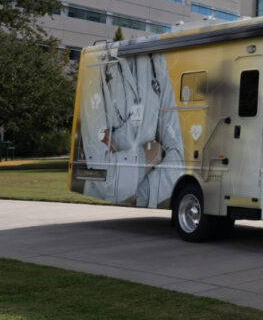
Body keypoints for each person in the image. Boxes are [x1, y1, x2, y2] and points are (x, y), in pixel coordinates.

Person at [76, 52, 183, 207]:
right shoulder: (96, 62)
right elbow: (105, 175)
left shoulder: (158, 62)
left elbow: (177, 159)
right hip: (99, 209)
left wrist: (139, 196)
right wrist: (153, 153)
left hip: (132, 206)